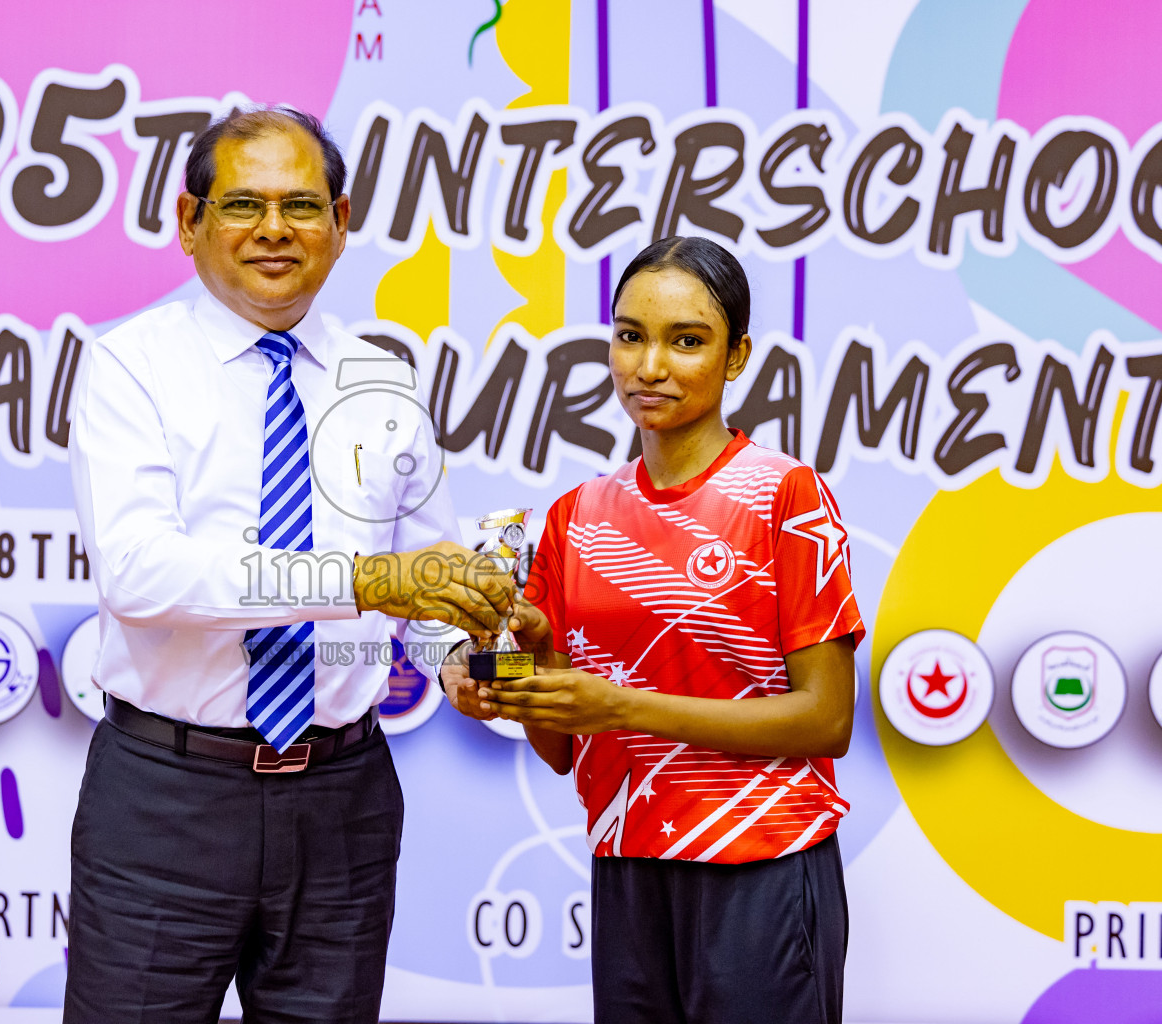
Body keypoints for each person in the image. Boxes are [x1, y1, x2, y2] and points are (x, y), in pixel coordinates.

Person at [64, 106, 510, 1023]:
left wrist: (464, 657)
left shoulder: (381, 379)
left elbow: (427, 575)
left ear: (341, 226)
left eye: (303, 205)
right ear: (190, 223)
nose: (275, 230)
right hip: (166, 800)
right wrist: (358, 581)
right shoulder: (131, 368)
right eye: (244, 205)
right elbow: (140, 573)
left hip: (343, 801)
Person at [444, 236, 864, 1024]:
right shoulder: (577, 515)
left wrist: (621, 707)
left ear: (737, 356)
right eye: (630, 335)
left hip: (761, 860)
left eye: (687, 341)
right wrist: (514, 677)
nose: (650, 366)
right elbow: (566, 746)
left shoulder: (786, 496)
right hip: (628, 864)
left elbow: (826, 719)